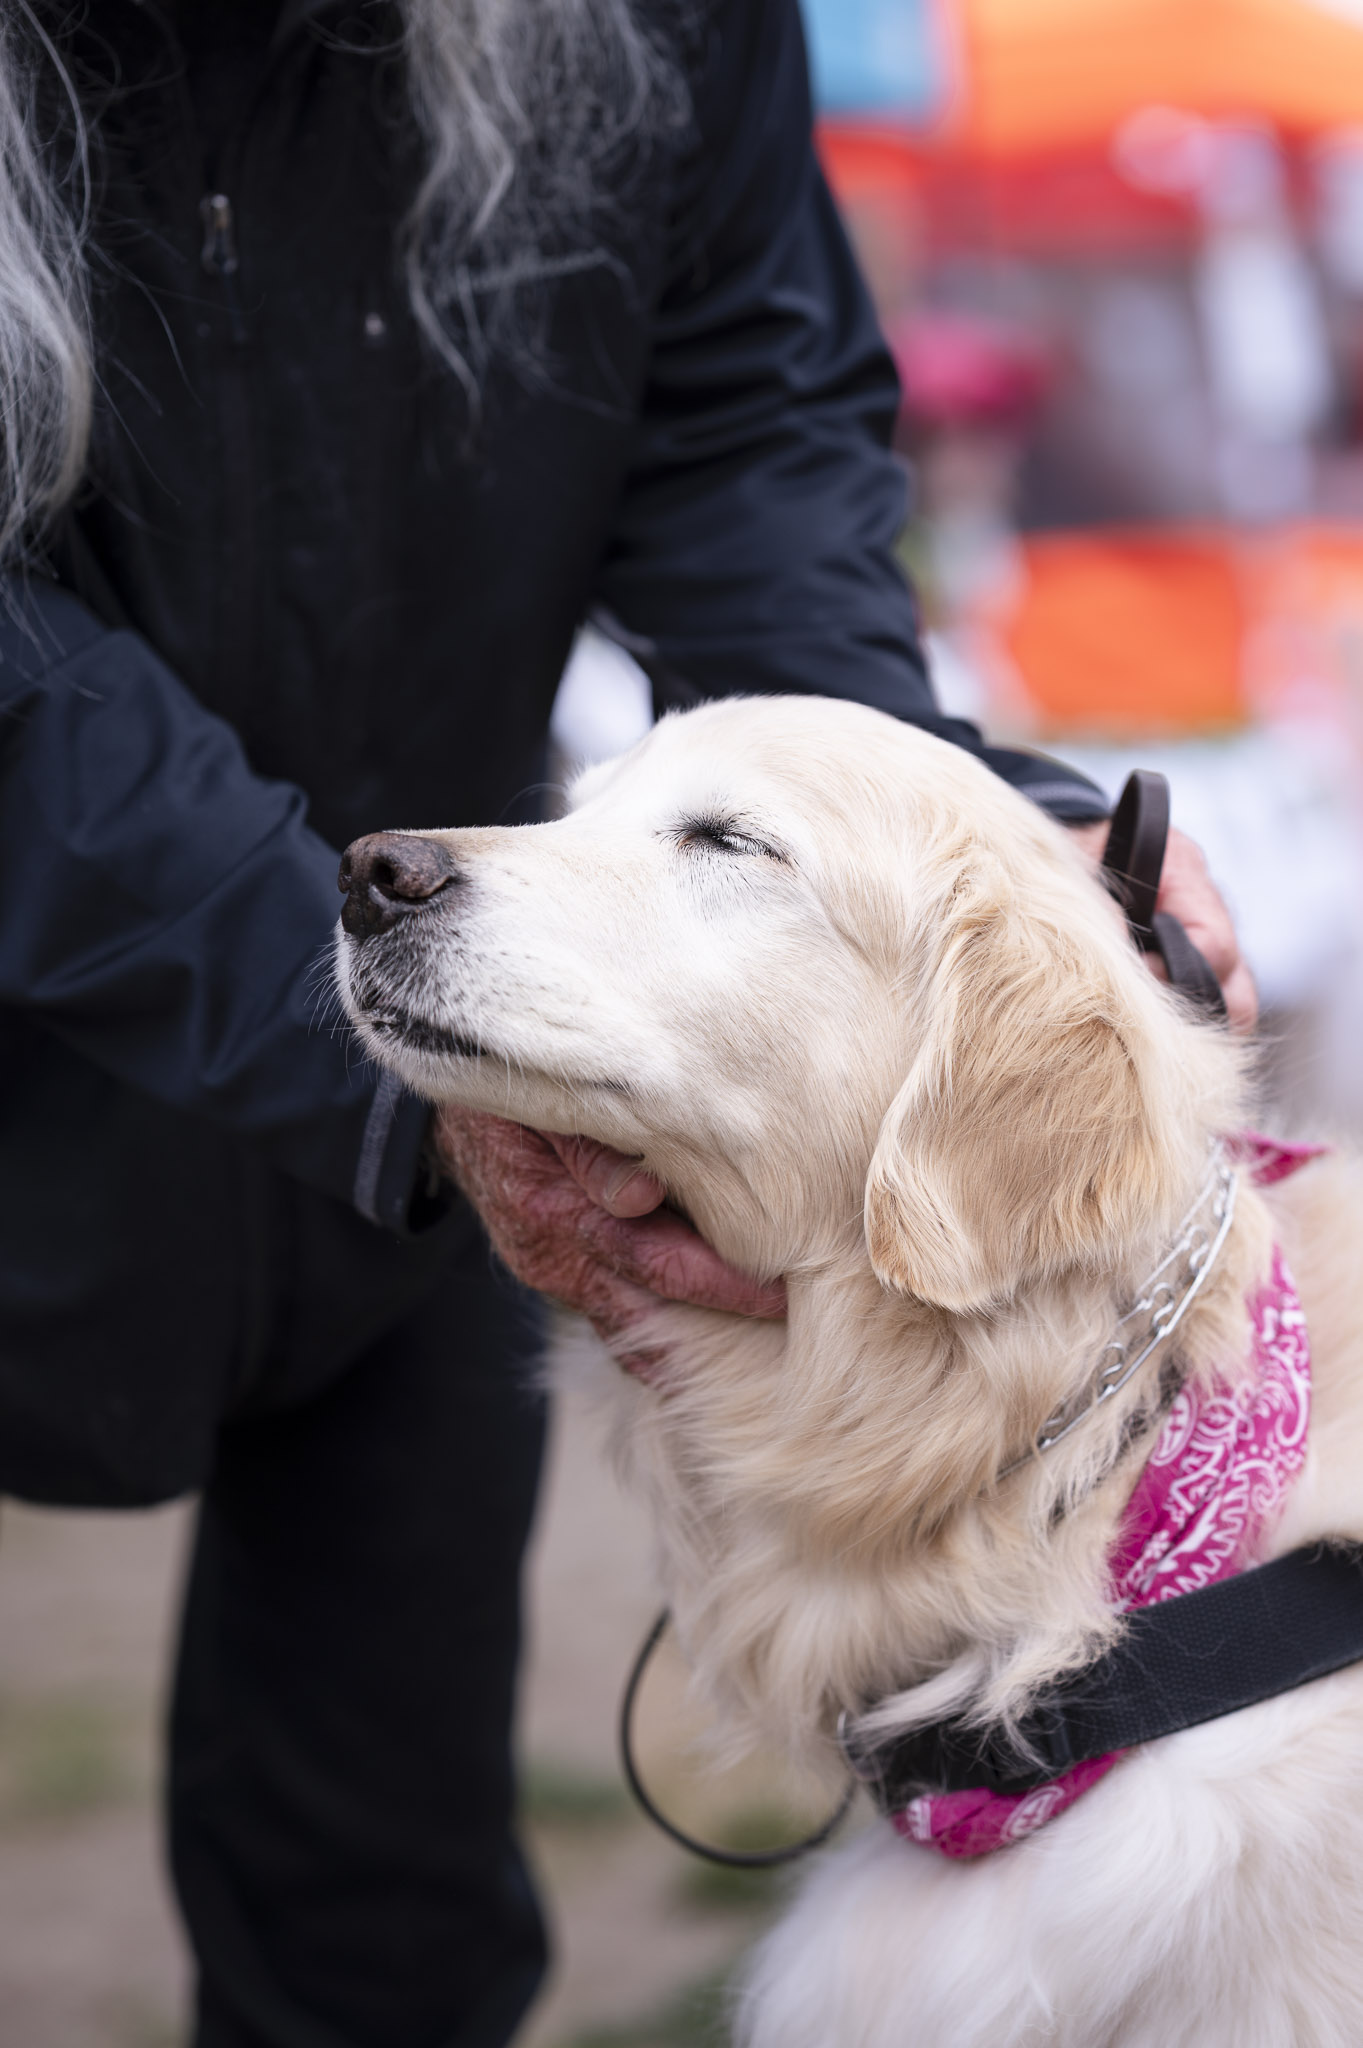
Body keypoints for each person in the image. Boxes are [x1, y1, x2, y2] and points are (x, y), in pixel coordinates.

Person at [0, 1, 1254, 2043]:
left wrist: (973, 825)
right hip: (277, 987)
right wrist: (360, 1012)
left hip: (472, 1038)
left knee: (384, 1914)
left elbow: (750, 432)